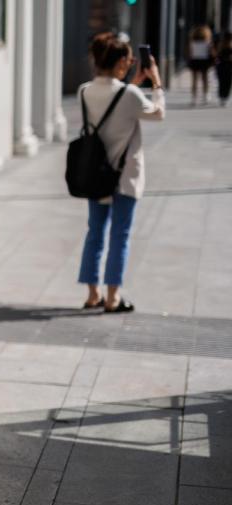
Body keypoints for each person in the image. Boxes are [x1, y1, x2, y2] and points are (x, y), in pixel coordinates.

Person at [77, 32, 165, 313]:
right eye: (129, 60)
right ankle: (113, 298)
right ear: (120, 64)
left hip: (95, 173)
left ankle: (93, 294)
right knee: (120, 236)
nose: (131, 63)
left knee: (95, 234)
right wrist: (157, 82)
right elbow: (157, 113)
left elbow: (116, 105)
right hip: (125, 175)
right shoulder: (130, 94)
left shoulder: (84, 90)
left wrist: (135, 84)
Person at [188, 25, 216, 105]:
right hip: (204, 61)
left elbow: (190, 52)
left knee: (194, 80)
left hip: (195, 60)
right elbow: (211, 52)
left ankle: (194, 98)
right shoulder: (207, 42)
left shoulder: (193, 42)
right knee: (205, 79)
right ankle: (206, 95)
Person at [216, 31, 232, 107]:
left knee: (222, 82)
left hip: (221, 66)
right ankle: (225, 97)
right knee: (227, 82)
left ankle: (222, 97)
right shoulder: (229, 45)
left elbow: (217, 56)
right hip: (228, 66)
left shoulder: (221, 45)